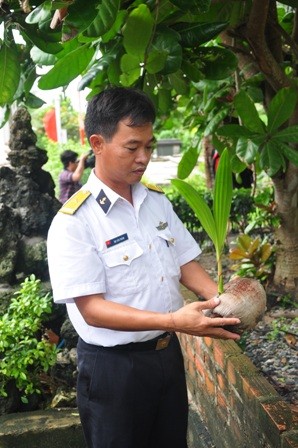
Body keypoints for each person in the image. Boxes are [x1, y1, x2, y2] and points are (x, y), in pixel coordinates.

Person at [47, 87, 241, 448]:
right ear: (97, 143)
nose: (144, 158)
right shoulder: (74, 222)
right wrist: (173, 321)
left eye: (149, 146)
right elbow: (92, 310)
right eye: (132, 147)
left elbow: (185, 262)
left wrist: (223, 303)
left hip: (166, 356)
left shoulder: (155, 201)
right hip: (113, 370)